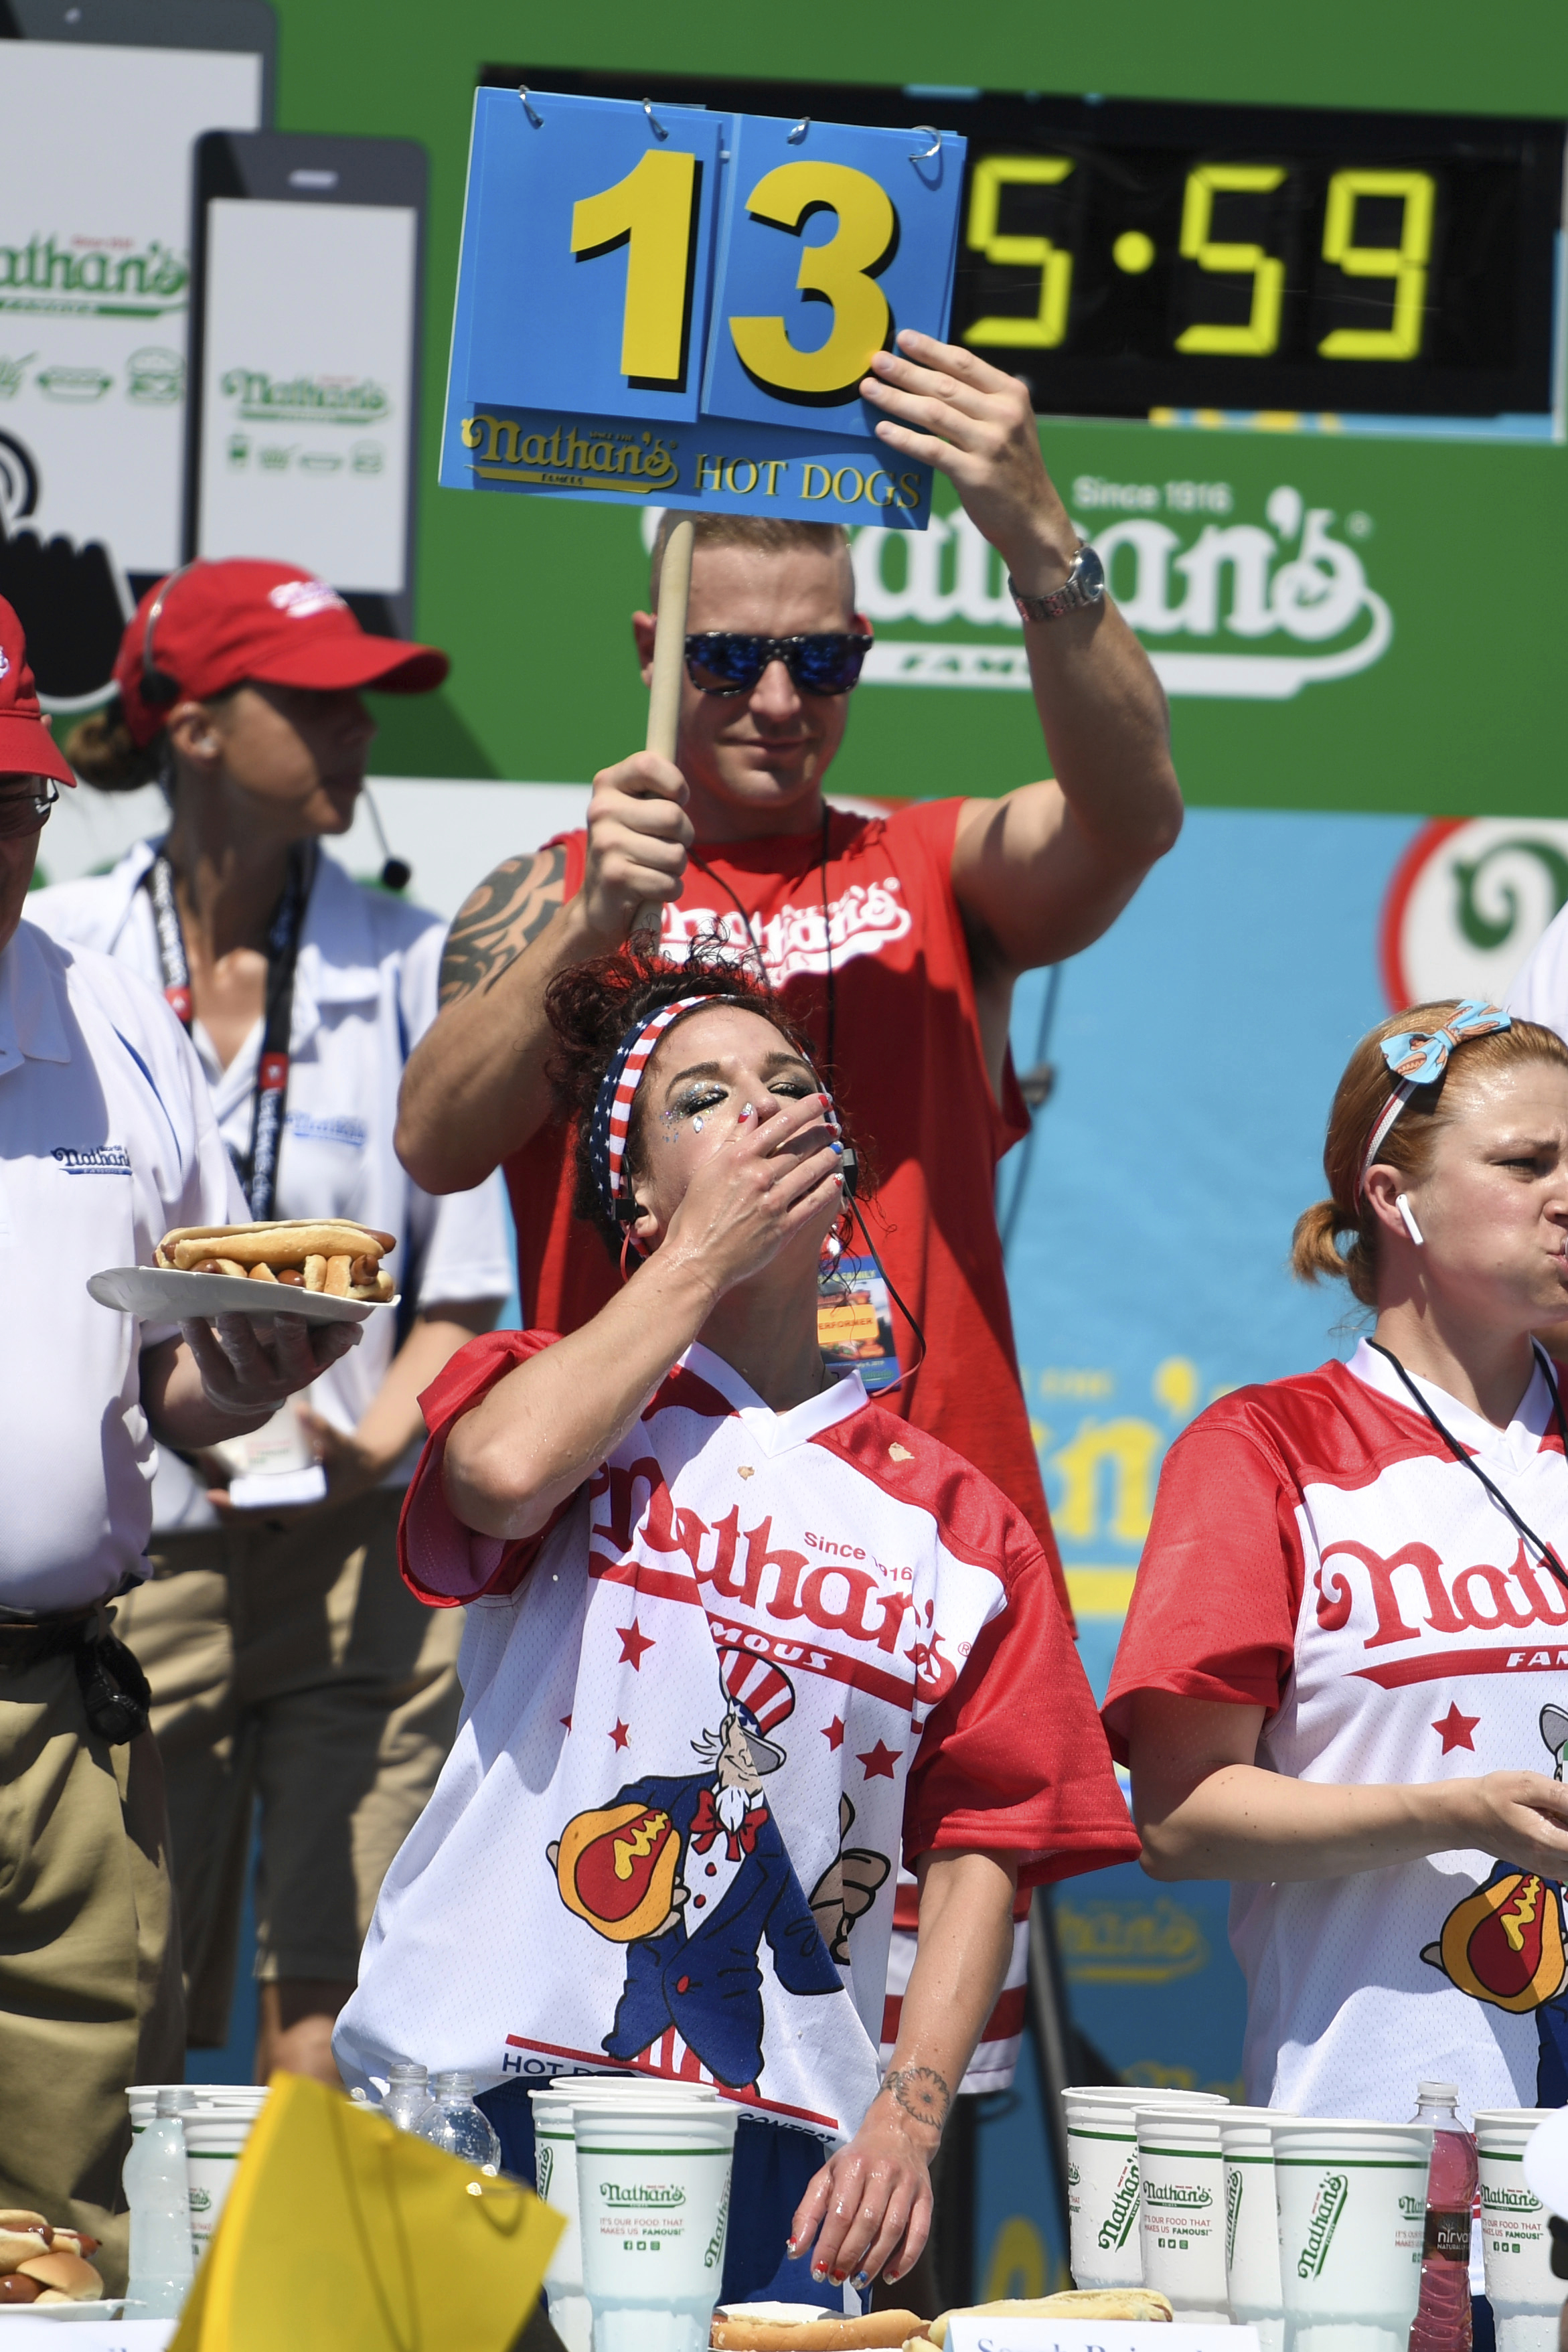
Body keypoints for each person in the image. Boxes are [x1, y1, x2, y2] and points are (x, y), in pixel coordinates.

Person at [335, 945, 1138, 2306]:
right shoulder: (555, 1390)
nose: (761, 1110)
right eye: (701, 1098)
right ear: (633, 1188)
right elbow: (502, 1473)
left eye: (790, 1085)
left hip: (783, 2133)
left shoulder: (961, 1520)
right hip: (473, 2089)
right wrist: (701, 1252)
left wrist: (909, 2114)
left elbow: (991, 1840)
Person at [395, 329, 1182, 1589]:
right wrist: (590, 924)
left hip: (920, 1514)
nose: (777, 699)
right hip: (643, 1528)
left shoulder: (935, 864)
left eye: (820, 660)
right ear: (652, 649)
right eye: (725, 659)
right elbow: (433, 1145)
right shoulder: (553, 890)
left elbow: (1130, 817)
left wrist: (1036, 533)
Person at [30, 560, 512, 2087]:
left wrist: (374, 1447)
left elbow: (463, 1288)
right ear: (190, 727)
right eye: (309, 699)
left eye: (358, 698)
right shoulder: (58, 941)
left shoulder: (416, 953)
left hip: (360, 1554)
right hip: (141, 1563)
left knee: (337, 2011)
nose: (350, 729)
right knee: (127, 1997)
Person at [0, 595, 357, 2280]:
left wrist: (262, 1370)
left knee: (69, 2223)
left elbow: (167, 1389)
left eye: (13, 804)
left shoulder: (113, 1016)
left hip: (72, 1710)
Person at [1105, 998, 1568, 2122]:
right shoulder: (1263, 1448)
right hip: (1382, 2135)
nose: (1566, 1195)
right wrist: (1457, 1809)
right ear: (1391, 1197)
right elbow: (1175, 1819)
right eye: (1525, 1161)